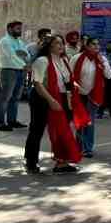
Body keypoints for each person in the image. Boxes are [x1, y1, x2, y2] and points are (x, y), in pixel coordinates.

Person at [24, 35, 82, 173]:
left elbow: (66, 79)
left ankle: (62, 163)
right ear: (49, 46)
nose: (61, 46)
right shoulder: (42, 60)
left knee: (62, 130)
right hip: (42, 98)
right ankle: (31, 161)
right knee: (37, 130)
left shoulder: (64, 60)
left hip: (62, 97)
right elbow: (37, 83)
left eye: (62, 43)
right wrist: (51, 100)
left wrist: (74, 83)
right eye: (57, 43)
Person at [70, 37, 111, 158]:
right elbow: (69, 75)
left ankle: (87, 148)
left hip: (93, 95)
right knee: (80, 121)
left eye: (98, 44)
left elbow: (109, 76)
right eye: (93, 44)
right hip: (78, 94)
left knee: (89, 121)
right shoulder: (77, 58)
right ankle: (78, 145)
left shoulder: (102, 59)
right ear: (87, 46)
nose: (96, 47)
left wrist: (103, 63)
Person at [0, 21, 29, 131]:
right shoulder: (4, 42)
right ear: (10, 29)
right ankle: (0, 123)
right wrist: (24, 64)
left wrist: (24, 60)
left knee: (16, 98)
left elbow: (26, 54)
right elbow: (12, 56)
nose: (20, 31)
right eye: (18, 29)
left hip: (20, 71)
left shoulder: (20, 41)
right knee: (5, 97)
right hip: (8, 71)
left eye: (20, 28)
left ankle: (12, 121)